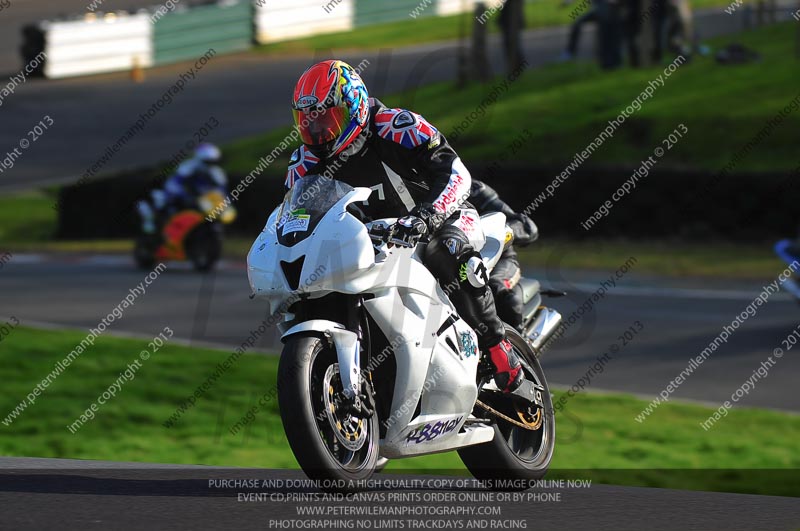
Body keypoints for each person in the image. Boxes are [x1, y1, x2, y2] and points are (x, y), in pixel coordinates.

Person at [285, 60, 524, 392]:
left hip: (443, 217)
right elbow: (296, 216)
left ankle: (499, 347)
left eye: (328, 120)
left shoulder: (397, 126)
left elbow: (456, 173)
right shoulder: (304, 164)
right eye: (308, 123)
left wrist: (427, 217)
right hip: (373, 244)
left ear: (352, 106)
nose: (319, 134)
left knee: (448, 250)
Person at [469, 180, 538, 333]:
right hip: (455, 265)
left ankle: (518, 343)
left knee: (493, 286)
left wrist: (500, 232)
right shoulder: (407, 197)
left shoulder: (469, 188)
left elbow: (526, 226)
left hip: (499, 260)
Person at [137, 143, 227, 234]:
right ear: (200, 159)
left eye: (213, 162)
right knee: (165, 204)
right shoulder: (188, 166)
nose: (211, 165)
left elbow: (221, 190)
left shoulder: (217, 172)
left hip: (201, 199)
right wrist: (187, 195)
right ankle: (154, 223)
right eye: (208, 162)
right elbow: (177, 184)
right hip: (179, 193)